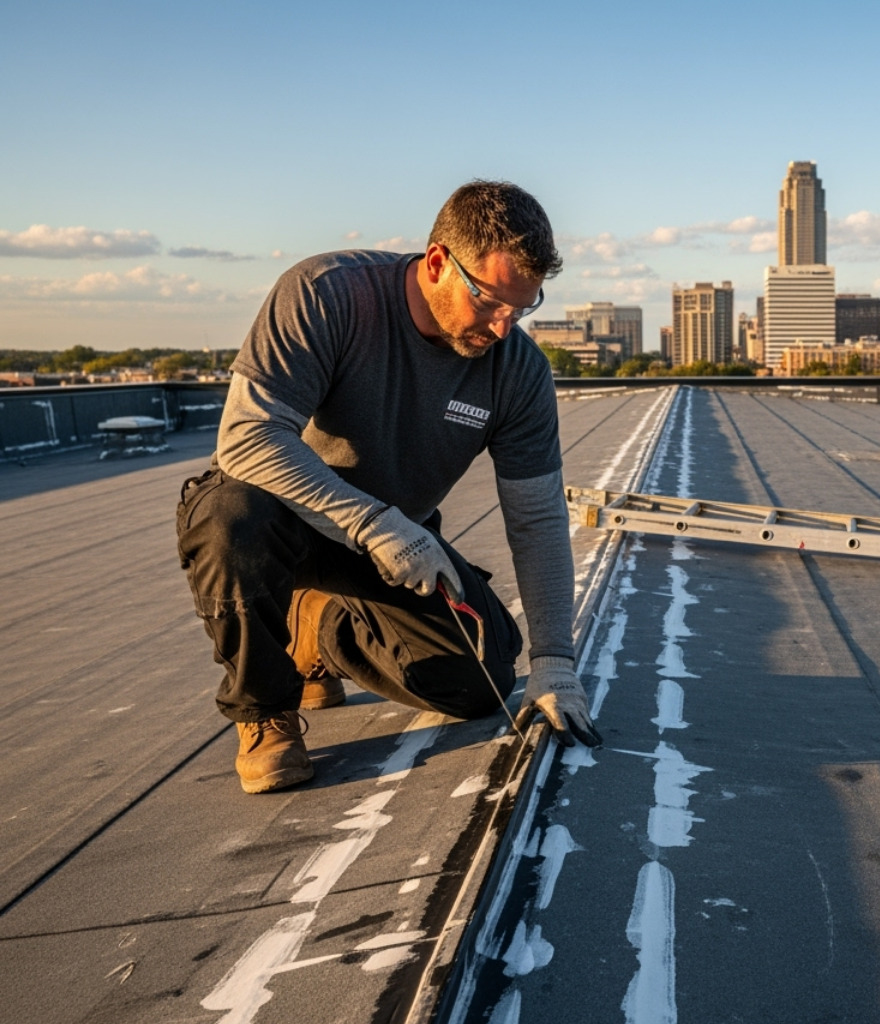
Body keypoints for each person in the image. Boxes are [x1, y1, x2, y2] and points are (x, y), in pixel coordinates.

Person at [176, 180, 600, 795]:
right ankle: (265, 713)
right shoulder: (329, 295)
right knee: (227, 517)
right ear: (436, 263)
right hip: (287, 515)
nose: (505, 328)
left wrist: (555, 662)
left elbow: (535, 521)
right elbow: (246, 438)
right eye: (488, 302)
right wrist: (374, 522)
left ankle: (317, 622)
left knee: (480, 682)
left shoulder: (517, 371)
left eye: (523, 307)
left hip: (397, 540)